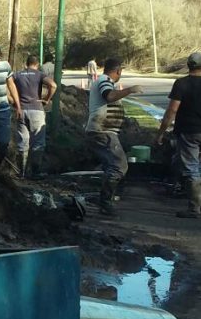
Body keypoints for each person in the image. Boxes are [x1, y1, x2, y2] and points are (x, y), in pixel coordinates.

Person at [86, 58, 143, 216]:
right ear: (118, 71)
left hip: (104, 130)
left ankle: (106, 198)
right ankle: (105, 202)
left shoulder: (104, 81)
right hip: (103, 131)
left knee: (110, 166)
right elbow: (109, 97)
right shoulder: (105, 81)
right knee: (119, 166)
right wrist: (130, 90)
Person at [155, 52, 201, 218]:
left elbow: (172, 110)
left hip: (189, 132)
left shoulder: (182, 84)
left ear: (189, 65)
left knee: (192, 168)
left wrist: (160, 133)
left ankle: (195, 209)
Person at [13, 55, 57, 178]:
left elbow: (8, 86)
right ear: (37, 64)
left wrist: (14, 102)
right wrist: (47, 99)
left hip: (21, 110)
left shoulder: (17, 74)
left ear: (26, 64)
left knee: (23, 142)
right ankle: (35, 172)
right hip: (36, 110)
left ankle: (21, 172)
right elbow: (53, 85)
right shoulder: (39, 74)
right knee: (38, 142)